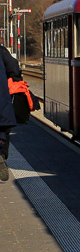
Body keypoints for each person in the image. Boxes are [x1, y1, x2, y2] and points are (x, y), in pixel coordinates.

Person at [0, 44, 24, 182]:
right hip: (1, 104)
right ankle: (1, 155)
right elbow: (15, 70)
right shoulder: (2, 51)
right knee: (3, 131)